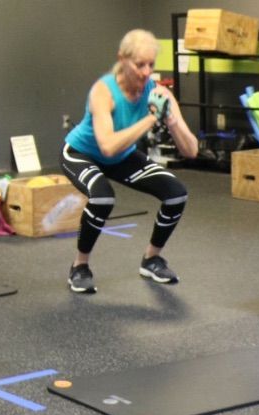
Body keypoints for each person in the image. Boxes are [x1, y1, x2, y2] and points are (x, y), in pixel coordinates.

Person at [61, 29, 199, 295]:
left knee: (176, 194)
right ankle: (79, 267)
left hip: (122, 156)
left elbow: (191, 150)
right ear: (122, 60)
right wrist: (150, 119)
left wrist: (172, 121)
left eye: (151, 65)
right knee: (102, 198)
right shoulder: (103, 91)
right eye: (139, 65)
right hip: (82, 153)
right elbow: (108, 146)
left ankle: (151, 259)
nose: (146, 72)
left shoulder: (158, 94)